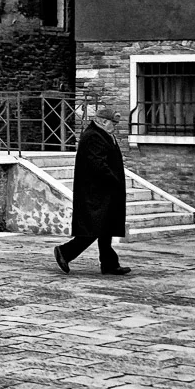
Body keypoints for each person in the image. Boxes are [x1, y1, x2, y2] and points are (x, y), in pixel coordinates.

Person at [54, 107, 131, 276]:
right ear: (103, 121)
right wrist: (114, 180)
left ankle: (109, 264)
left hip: (105, 191)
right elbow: (98, 164)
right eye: (113, 123)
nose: (115, 126)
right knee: (95, 228)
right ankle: (65, 252)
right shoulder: (93, 137)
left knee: (106, 228)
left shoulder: (103, 134)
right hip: (95, 192)